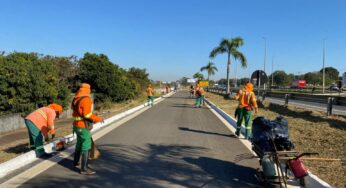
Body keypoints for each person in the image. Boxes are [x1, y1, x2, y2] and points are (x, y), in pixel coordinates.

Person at [72, 83, 104, 175]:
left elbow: (77, 112)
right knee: (86, 145)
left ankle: (75, 162)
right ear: (88, 90)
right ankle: (84, 169)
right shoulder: (86, 99)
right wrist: (98, 118)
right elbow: (87, 115)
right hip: (83, 125)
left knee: (79, 143)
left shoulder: (75, 98)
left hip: (76, 125)